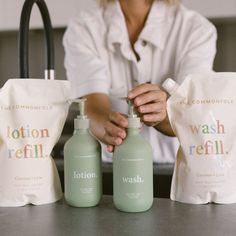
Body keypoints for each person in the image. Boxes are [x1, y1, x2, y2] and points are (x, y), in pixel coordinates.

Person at [63, 0, 217, 163]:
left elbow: (191, 117)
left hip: (176, 173)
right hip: (114, 168)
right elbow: (92, 106)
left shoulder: (196, 29)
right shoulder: (84, 28)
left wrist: (164, 113)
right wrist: (110, 128)